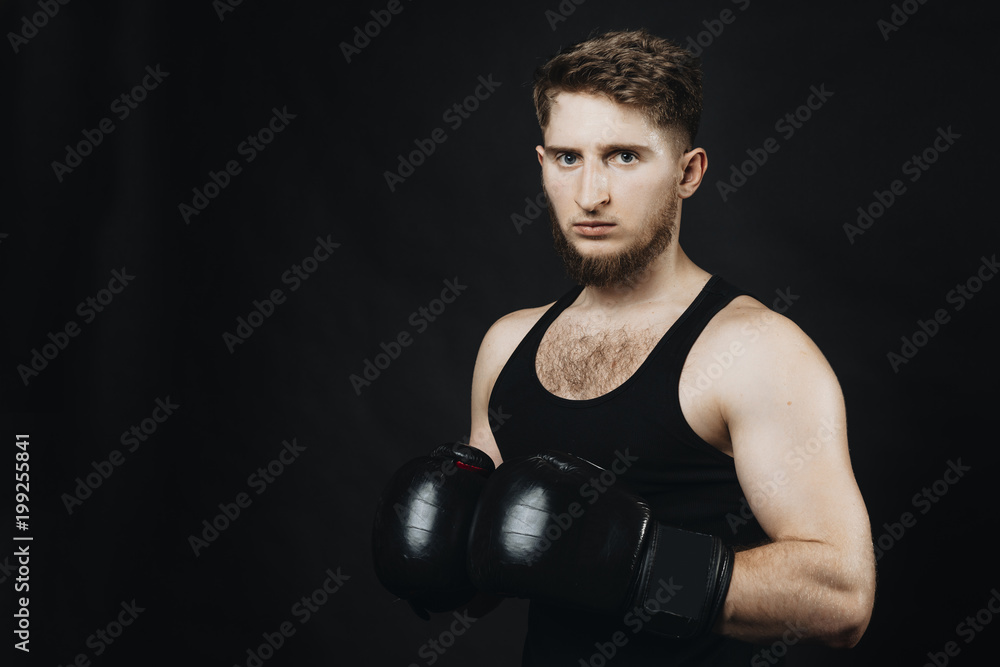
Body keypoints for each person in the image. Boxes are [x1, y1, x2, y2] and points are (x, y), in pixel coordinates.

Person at [373, 28, 875, 666]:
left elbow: (842, 599)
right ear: (542, 163)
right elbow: (500, 565)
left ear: (688, 172)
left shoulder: (755, 350)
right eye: (567, 158)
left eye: (625, 157)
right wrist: (441, 564)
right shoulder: (508, 344)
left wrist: (638, 566)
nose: (590, 195)